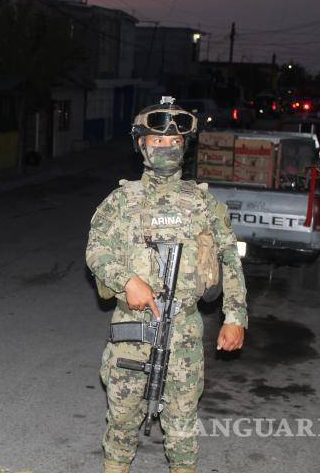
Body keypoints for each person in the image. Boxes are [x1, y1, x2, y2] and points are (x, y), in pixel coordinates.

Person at [85, 97, 248, 473]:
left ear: (184, 146)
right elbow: (96, 251)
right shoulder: (120, 202)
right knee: (121, 424)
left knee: (182, 428)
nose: (166, 146)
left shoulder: (204, 204)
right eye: (157, 140)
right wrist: (128, 281)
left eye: (174, 141)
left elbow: (229, 259)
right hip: (132, 329)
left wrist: (235, 317)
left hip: (184, 332)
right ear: (141, 144)